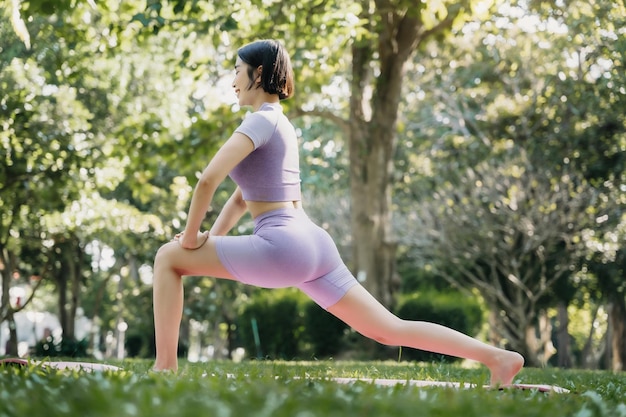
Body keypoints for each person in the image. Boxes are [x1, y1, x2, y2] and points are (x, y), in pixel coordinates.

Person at [152, 39, 524, 385]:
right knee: (389, 328)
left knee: (168, 257)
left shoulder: (258, 121)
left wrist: (189, 240)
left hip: (281, 246)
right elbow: (239, 198)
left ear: (259, 74)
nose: (233, 80)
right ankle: (497, 358)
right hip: (313, 244)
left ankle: (164, 367)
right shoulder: (280, 124)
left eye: (237, 70)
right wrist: (211, 242)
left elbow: (207, 182)